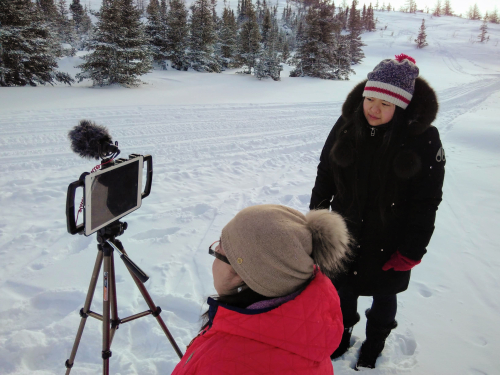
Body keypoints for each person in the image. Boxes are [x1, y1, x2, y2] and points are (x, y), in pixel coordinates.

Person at [309, 54, 445, 370]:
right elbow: (325, 173)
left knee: (384, 298)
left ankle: (374, 345)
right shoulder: (346, 125)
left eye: (385, 103)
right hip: (344, 233)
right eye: (370, 98)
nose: (373, 108)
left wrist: (412, 249)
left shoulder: (423, 138)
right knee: (341, 294)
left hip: (391, 239)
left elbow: (427, 200)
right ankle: (340, 338)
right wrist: (317, 221)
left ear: (402, 105)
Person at [171, 204, 352, 374]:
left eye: (220, 251)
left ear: (241, 275)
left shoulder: (224, 363)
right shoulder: (307, 328)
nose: (215, 252)